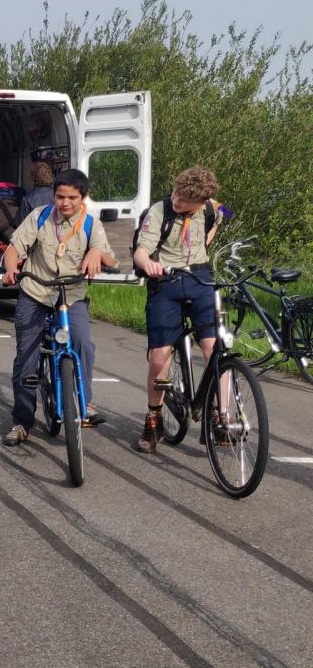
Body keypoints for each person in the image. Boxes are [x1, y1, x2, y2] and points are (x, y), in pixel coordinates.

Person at [0, 169, 117, 447]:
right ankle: (21, 421)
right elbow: (15, 248)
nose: (65, 203)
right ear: (53, 195)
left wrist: (95, 253)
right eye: (60, 196)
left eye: (72, 198)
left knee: (82, 343)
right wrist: (11, 268)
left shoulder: (90, 224)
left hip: (71, 294)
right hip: (36, 291)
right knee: (26, 356)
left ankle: (84, 403)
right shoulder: (40, 216)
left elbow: (110, 259)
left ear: (83, 197)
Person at [132, 166, 221, 454]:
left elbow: (224, 213)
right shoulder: (159, 211)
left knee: (214, 348)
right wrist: (148, 264)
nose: (176, 201)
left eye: (184, 201)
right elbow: (141, 250)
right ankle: (153, 418)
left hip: (199, 277)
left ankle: (221, 416)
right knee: (160, 357)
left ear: (201, 203)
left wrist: (208, 239)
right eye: (176, 193)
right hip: (166, 280)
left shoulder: (211, 209)